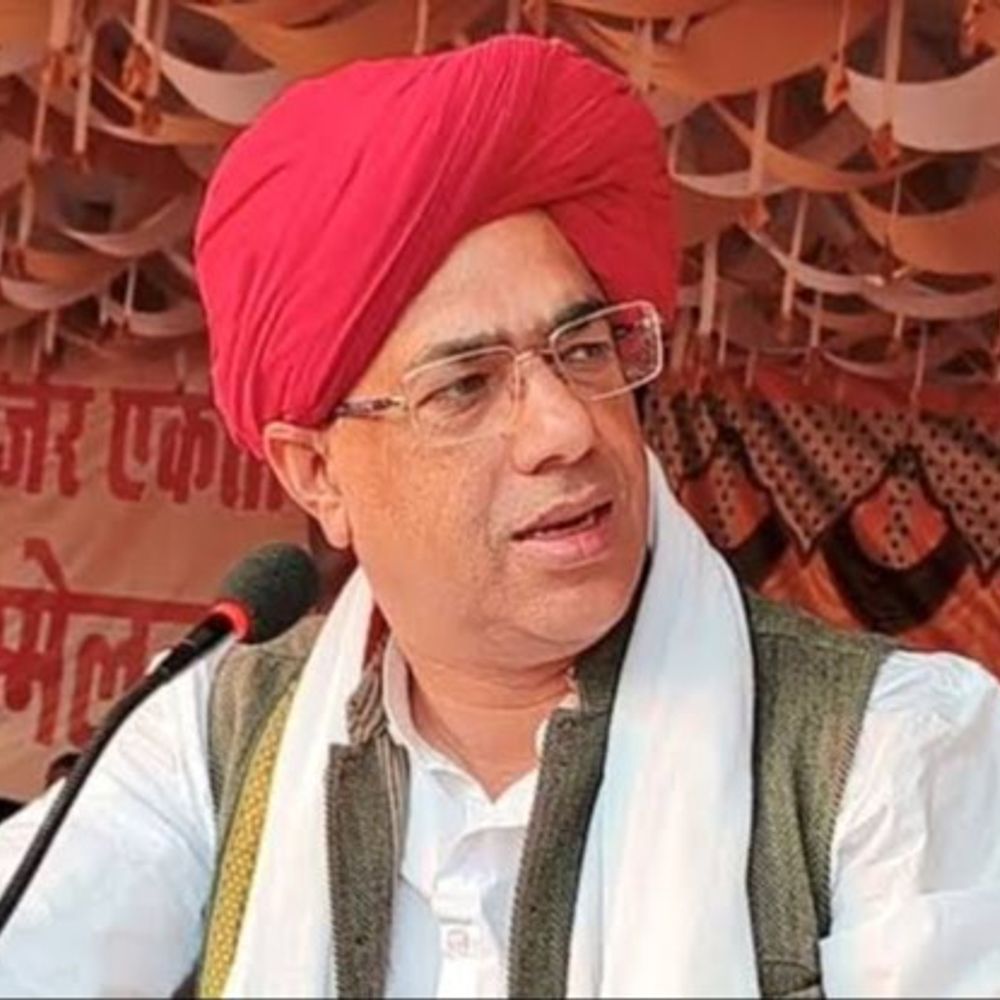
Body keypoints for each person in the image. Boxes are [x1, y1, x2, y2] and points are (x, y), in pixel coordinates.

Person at [2, 35, 999, 999]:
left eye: (584, 349)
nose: (566, 427)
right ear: (317, 475)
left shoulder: (888, 751)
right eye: (465, 386)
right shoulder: (216, 735)